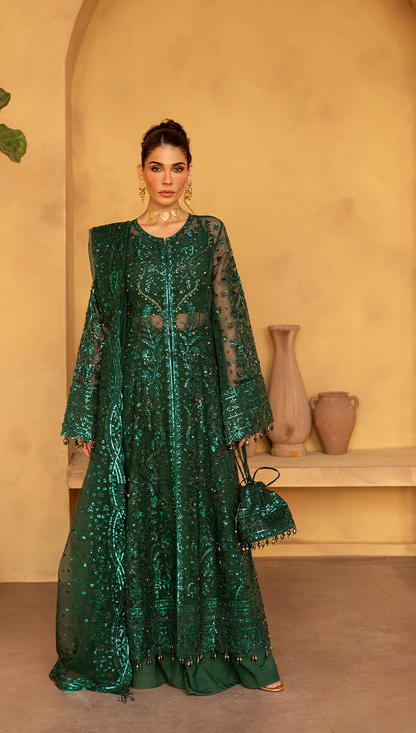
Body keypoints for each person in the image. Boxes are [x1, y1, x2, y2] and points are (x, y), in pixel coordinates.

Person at [49, 120, 284, 700]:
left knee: (211, 519)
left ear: (189, 172)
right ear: (141, 172)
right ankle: (147, 658)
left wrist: (240, 414)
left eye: (177, 168)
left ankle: (236, 657)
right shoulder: (118, 244)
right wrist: (86, 416)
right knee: (143, 521)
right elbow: (100, 328)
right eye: (157, 167)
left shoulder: (209, 234)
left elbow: (231, 321)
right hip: (137, 404)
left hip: (201, 404)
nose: (167, 179)